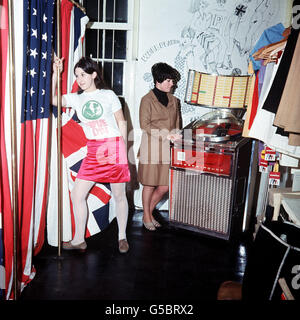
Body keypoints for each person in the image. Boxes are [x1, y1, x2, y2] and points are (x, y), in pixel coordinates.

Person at [52, 56, 130, 253]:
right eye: (77, 75)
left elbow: (121, 122)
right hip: (94, 149)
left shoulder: (108, 95)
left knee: (119, 195)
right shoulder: (77, 98)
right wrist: (56, 74)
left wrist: (122, 148)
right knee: (78, 194)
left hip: (112, 146)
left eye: (83, 74)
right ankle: (79, 239)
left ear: (94, 74)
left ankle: (122, 237)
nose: (80, 79)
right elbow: (53, 100)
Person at [137, 62, 181, 231]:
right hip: (151, 148)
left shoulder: (175, 101)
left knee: (165, 186)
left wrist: (175, 135)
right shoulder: (146, 100)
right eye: (169, 81)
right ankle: (148, 216)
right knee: (149, 184)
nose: (172, 84)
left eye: (172, 81)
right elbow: (144, 124)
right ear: (158, 80)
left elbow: (177, 124)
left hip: (168, 149)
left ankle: (146, 213)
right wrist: (166, 134)